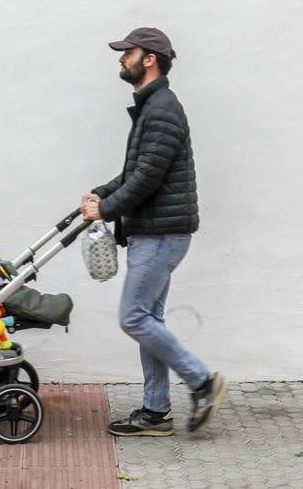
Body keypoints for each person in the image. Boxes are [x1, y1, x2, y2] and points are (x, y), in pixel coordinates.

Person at [81, 26, 226, 438]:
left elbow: (146, 179)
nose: (121, 57)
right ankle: (156, 411)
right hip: (155, 231)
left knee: (133, 317)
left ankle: (202, 382)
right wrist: (101, 193)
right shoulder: (152, 106)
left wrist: (105, 209)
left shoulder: (161, 108)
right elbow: (135, 172)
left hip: (162, 232)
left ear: (150, 59)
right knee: (149, 318)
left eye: (129, 51)